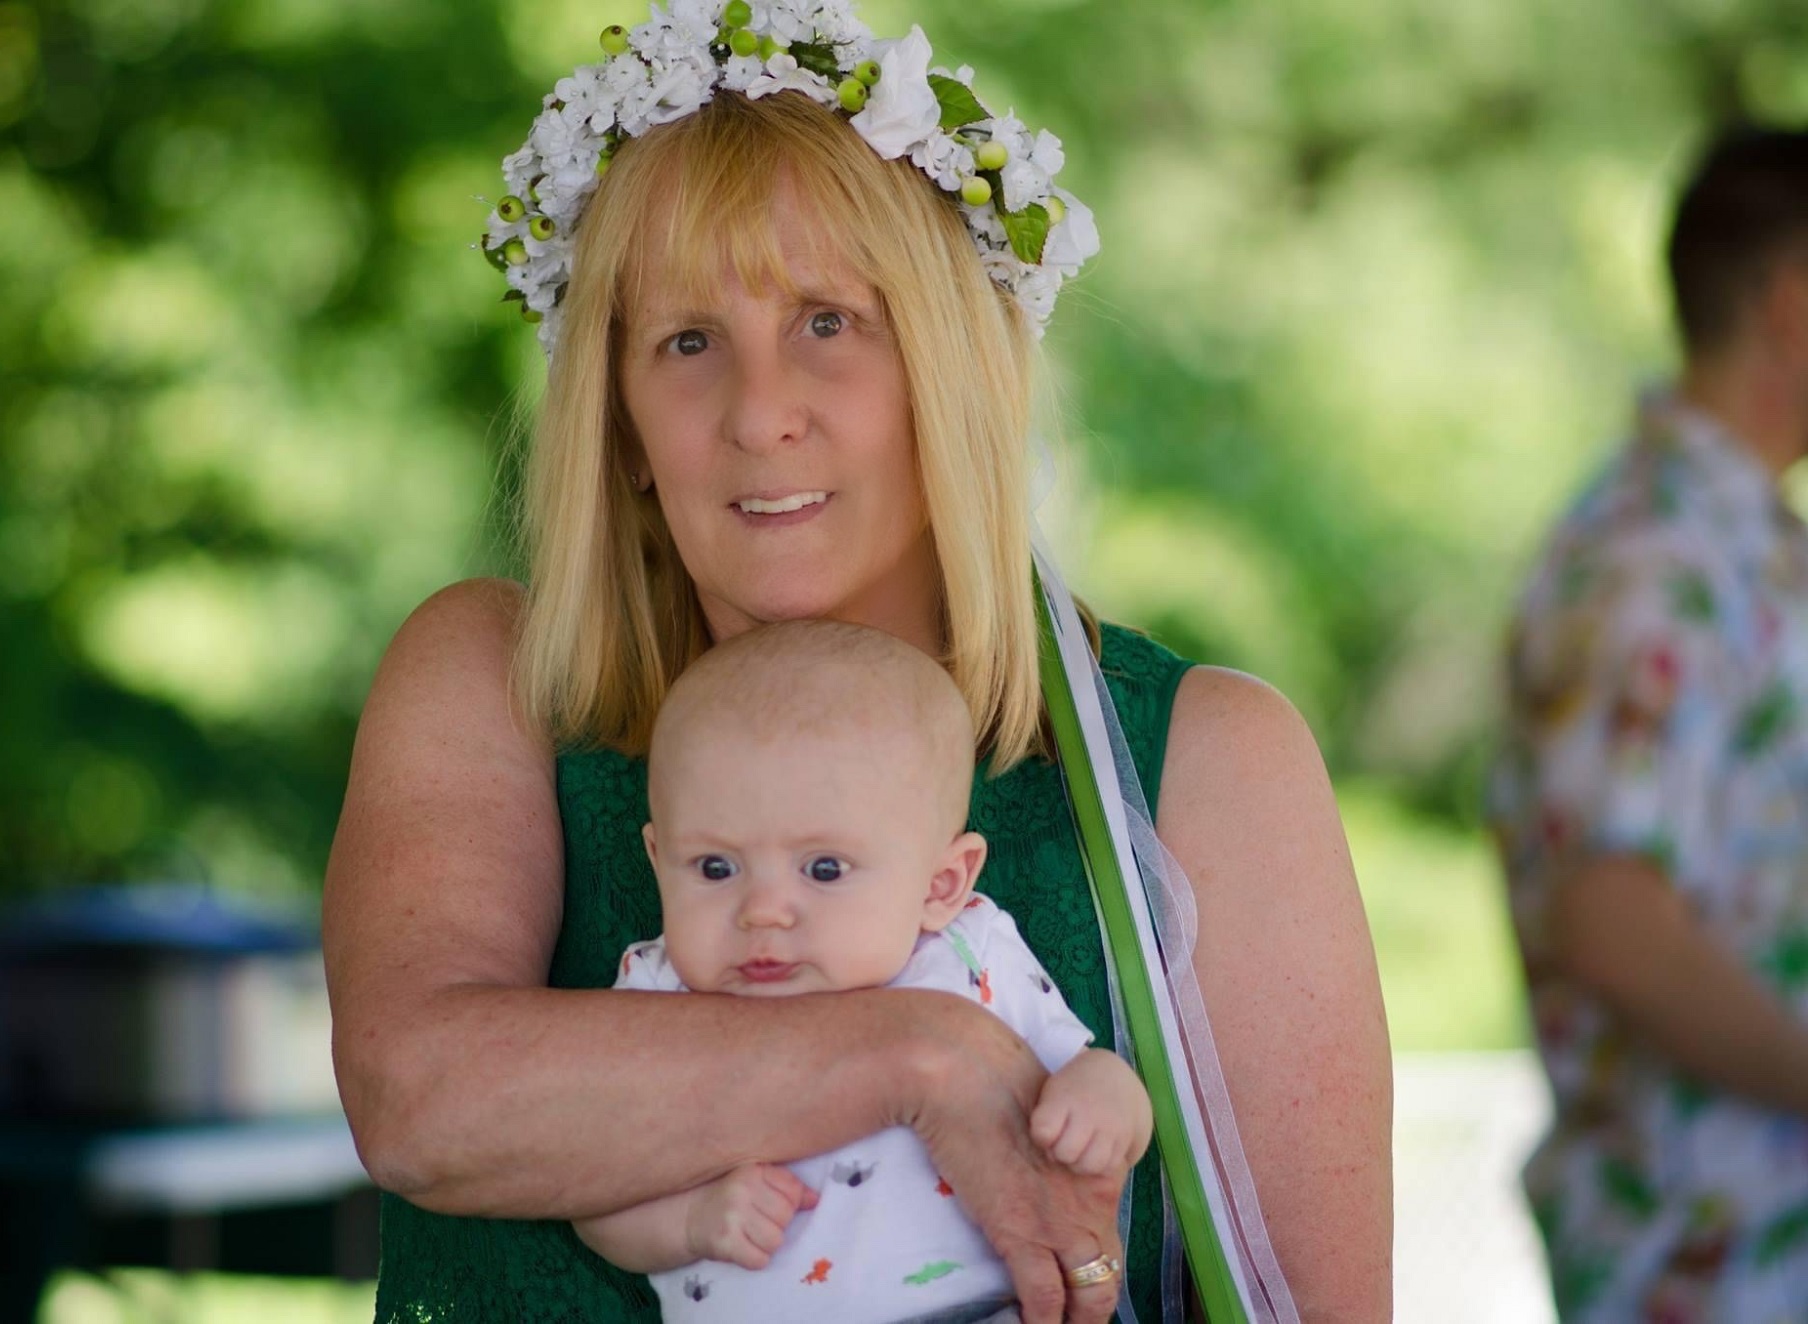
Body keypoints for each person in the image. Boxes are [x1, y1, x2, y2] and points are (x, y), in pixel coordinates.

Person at [323, 4, 1392, 1321]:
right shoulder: (494, 681)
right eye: (687, 340)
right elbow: (420, 1100)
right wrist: (922, 1054)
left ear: (950, 368)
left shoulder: (1194, 759)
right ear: (622, 419)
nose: (760, 411)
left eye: (829, 320)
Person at [571, 620, 1153, 1324]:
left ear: (941, 885)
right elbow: (595, 1197)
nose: (763, 911)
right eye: (715, 868)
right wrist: (693, 1222)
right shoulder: (655, 995)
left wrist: (1107, 1104)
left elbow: (1084, 1068)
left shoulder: (973, 953)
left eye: (824, 869)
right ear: (659, 859)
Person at [1489, 125, 1808, 1321]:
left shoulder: (1736, 549)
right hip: (1704, 1257)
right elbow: (1611, 920)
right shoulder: (1650, 561)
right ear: (1790, 302)